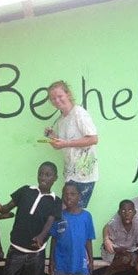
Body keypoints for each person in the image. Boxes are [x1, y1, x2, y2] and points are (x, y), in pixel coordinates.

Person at [48, 183, 95, 275]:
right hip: (61, 260)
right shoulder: (59, 216)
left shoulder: (86, 216)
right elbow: (54, 239)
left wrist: (91, 260)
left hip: (80, 260)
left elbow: (88, 239)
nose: (69, 196)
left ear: (79, 196)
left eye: (72, 194)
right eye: (66, 193)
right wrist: (51, 260)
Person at [45, 80, 98, 208]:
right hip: (70, 174)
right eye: (53, 99)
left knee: (73, 213)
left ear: (68, 94)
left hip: (84, 175)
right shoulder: (61, 119)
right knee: (66, 212)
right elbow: (65, 145)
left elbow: (93, 139)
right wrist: (53, 137)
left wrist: (65, 143)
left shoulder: (79, 113)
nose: (56, 101)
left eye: (59, 96)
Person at [94, 199, 138, 275]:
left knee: (134, 259)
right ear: (119, 212)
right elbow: (109, 246)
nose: (127, 214)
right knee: (126, 258)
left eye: (130, 211)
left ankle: (107, 274)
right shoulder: (114, 224)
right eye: (123, 211)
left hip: (127, 252)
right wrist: (123, 251)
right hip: (111, 252)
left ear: (134, 212)